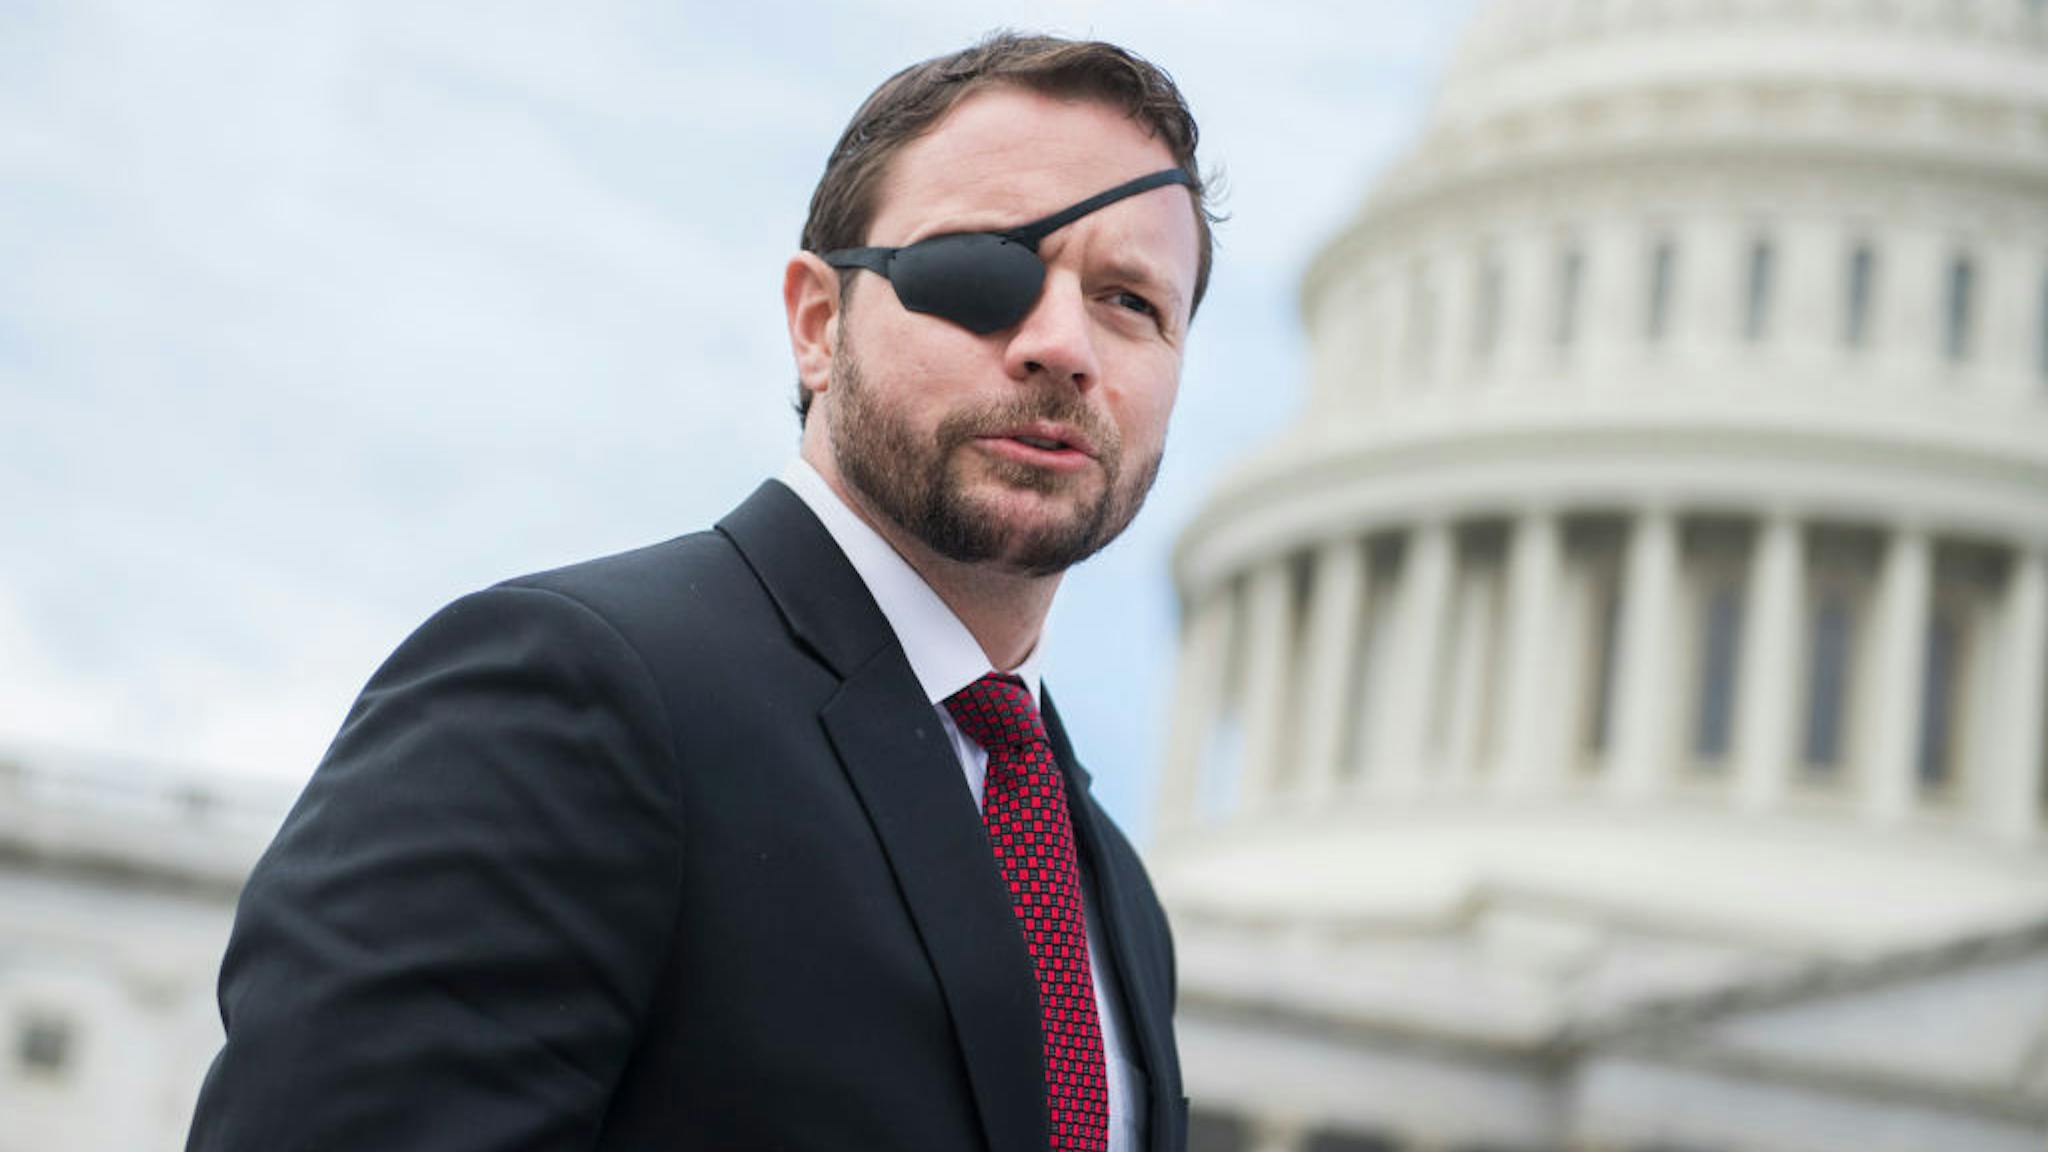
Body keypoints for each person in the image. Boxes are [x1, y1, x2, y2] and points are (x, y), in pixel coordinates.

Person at [186, 30, 1217, 1152]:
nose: (1060, 344)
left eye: (1129, 302)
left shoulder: (1106, 885)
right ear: (818, 326)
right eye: (983, 265)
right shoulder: (571, 699)